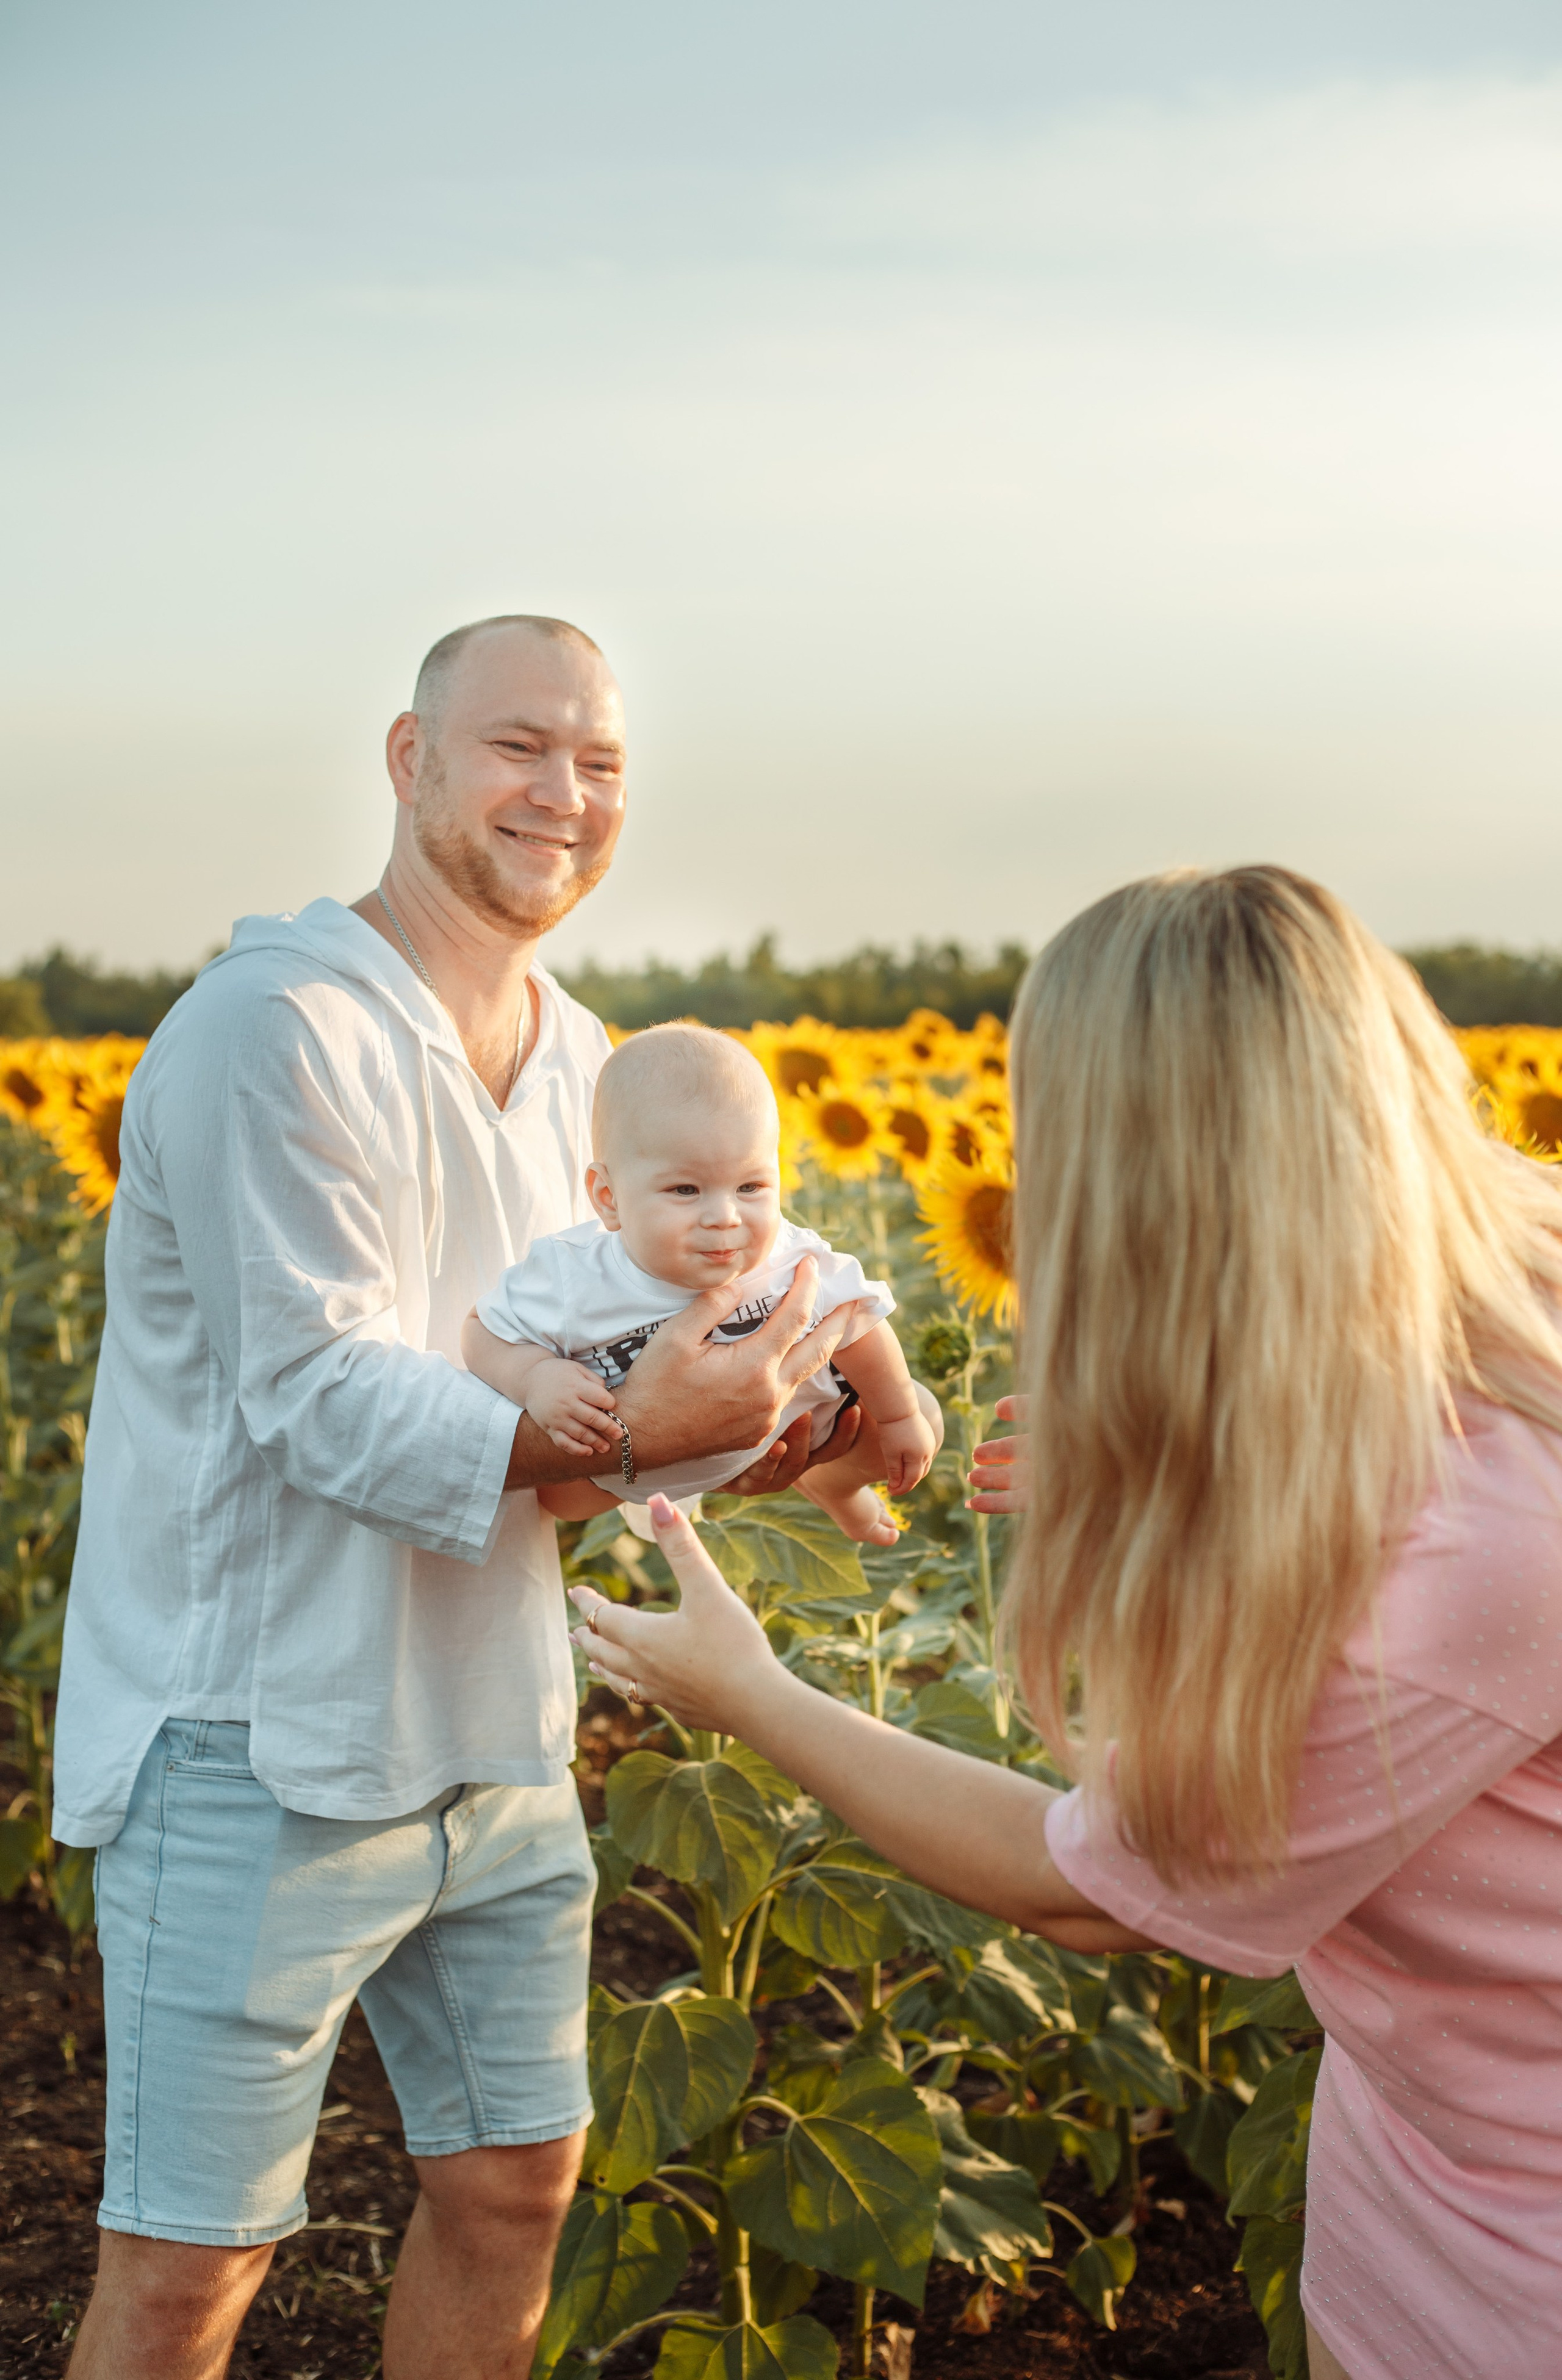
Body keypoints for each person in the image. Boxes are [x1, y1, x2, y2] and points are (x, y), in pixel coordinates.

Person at [569, 866, 1562, 2380]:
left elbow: (1097, 1884)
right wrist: (1197, 1491)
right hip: (1434, 2204)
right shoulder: (1492, 1328)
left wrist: (752, 1692)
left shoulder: (1473, 1554)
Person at [52, 614, 865, 2380]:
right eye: (518, 746)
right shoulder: (276, 1027)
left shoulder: (593, 1066)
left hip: (495, 1724)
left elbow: (625, 1396)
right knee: (190, 2265)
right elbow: (320, 1399)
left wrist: (790, 1417)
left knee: (513, 2186)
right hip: (252, 1734)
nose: (565, 794)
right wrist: (649, 1424)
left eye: (603, 760)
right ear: (411, 760)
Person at [462, 1021, 943, 1544]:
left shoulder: (788, 1255)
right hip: (631, 1456)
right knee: (560, 1496)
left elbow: (859, 1321)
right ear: (608, 1196)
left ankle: (835, 1481)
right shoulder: (571, 1275)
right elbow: (482, 1330)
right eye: (686, 1189)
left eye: (751, 1185)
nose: (725, 1215)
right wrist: (534, 1378)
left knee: (923, 1412)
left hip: (791, 1428)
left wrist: (897, 1417)